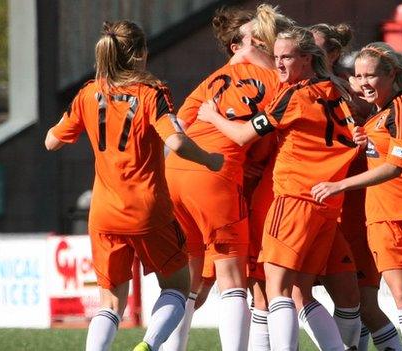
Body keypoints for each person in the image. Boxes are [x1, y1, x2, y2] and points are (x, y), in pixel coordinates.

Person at [44, 20, 222, 351]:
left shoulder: (87, 93)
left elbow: (51, 141)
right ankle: (148, 346)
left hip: (103, 213)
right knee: (177, 288)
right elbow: (178, 142)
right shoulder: (152, 92)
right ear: (140, 54)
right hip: (148, 210)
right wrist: (210, 160)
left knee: (110, 303)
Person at [197, 26, 358, 351]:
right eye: (276, 56)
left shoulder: (293, 96)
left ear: (308, 58)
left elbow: (243, 135)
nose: (279, 64)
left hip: (295, 198)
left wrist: (211, 116)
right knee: (300, 291)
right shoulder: (338, 91)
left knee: (277, 289)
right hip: (326, 203)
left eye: (286, 57)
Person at [311, 42, 402, 351]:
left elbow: (397, 166)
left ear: (392, 75)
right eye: (359, 76)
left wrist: (339, 186)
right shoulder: (374, 118)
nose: (363, 83)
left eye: (371, 76)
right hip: (380, 220)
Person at [162, 6, 281, 351]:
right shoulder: (276, 79)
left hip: (176, 173)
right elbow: (277, 135)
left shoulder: (210, 80)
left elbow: (179, 130)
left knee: (187, 280)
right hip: (215, 175)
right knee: (233, 281)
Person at [308, 23, 402, 351]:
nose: (308, 51)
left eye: (315, 47)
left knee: (362, 302)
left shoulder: (352, 94)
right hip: (320, 203)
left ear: (332, 54)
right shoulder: (303, 90)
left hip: (354, 204)